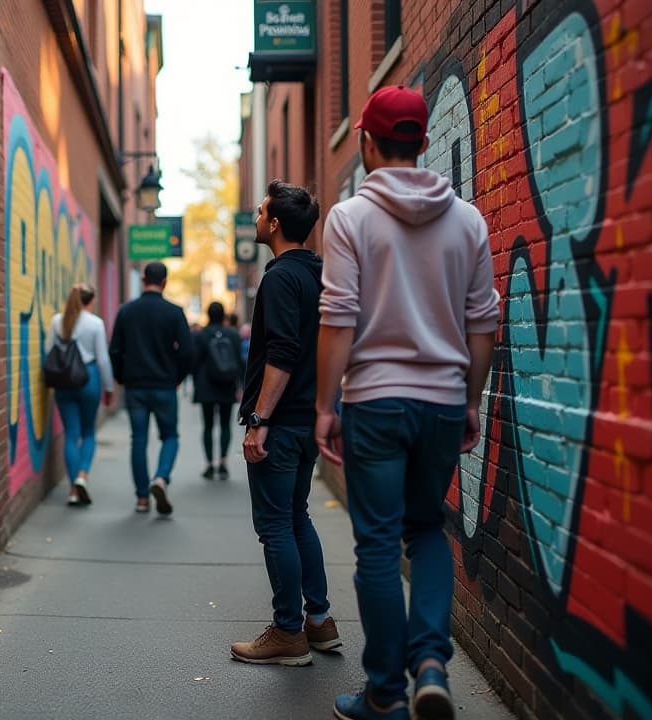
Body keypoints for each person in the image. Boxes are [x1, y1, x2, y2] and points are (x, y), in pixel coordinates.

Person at [315, 86, 499, 720]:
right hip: (444, 403)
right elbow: (484, 324)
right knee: (427, 531)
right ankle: (430, 665)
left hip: (375, 403)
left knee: (376, 543)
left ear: (367, 143)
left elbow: (338, 319)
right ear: (423, 143)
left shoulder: (349, 219)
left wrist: (324, 405)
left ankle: (386, 693)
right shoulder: (468, 220)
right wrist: (470, 400)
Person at [230, 180, 340, 666]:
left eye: (259, 212)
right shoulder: (322, 273)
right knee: (297, 516)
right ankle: (319, 621)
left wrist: (259, 419)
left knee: (275, 524)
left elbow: (282, 353)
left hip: (280, 420)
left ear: (274, 224)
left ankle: (288, 632)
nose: (255, 218)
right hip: (308, 417)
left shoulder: (278, 278)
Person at [109, 262, 194, 514]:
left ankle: (142, 498)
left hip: (135, 387)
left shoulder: (126, 312)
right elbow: (188, 352)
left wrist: (121, 378)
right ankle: (161, 477)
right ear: (165, 282)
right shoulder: (174, 312)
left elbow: (114, 350)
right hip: (165, 386)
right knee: (170, 437)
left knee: (139, 440)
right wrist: (178, 377)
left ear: (144, 279)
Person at [46, 283, 115, 506]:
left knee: (71, 434)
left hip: (64, 383)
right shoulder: (95, 323)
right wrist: (109, 387)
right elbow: (103, 359)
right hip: (89, 379)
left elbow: (49, 353)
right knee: (88, 432)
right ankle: (82, 476)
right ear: (91, 301)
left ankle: (74, 490)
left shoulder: (57, 321)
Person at [192, 301, 242, 479]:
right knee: (225, 424)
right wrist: (241, 386)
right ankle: (222, 462)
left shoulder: (201, 335)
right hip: (227, 385)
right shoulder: (233, 335)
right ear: (223, 316)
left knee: (207, 425)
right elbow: (239, 361)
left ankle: (209, 464)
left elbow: (194, 361)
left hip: (206, 386)